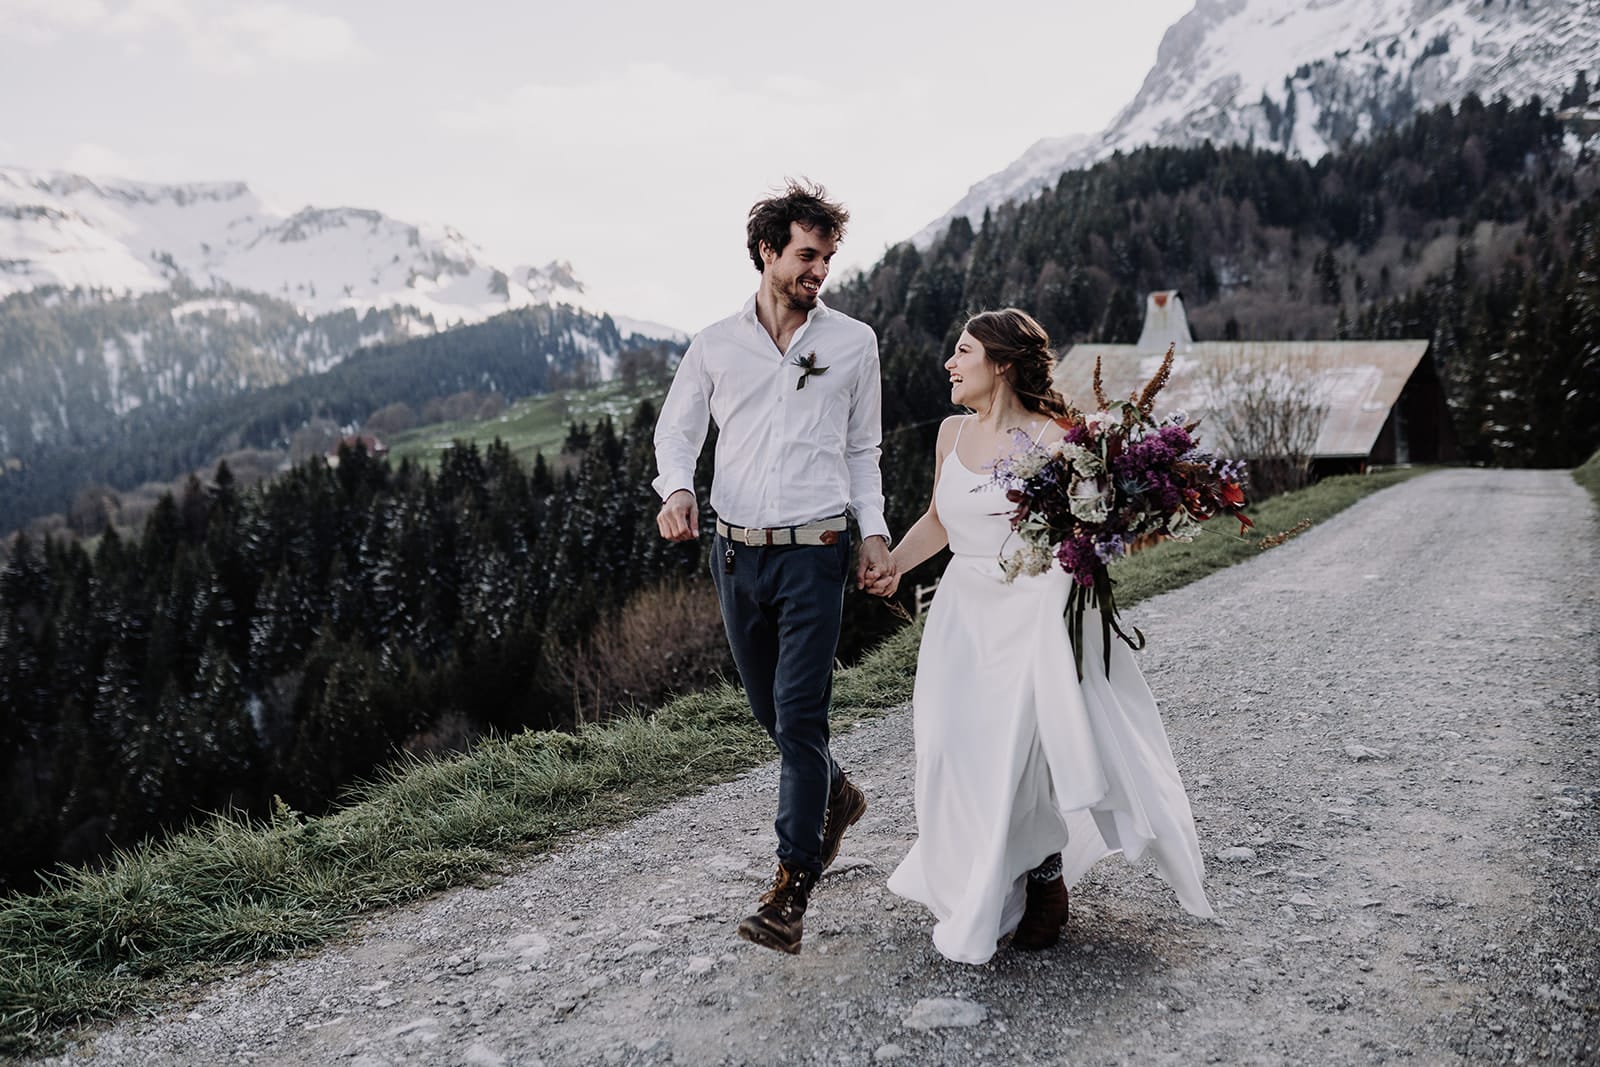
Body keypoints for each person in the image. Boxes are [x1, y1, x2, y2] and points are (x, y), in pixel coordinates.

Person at [867, 308, 1213, 965]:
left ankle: (1043, 874)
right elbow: (940, 518)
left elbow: (1089, 530)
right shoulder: (949, 434)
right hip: (962, 614)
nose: (950, 362)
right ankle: (983, 874)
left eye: (962, 351)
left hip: (1032, 612)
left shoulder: (1057, 438)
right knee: (946, 747)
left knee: (1015, 756)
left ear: (999, 364)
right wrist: (892, 565)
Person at [653, 180, 894, 955]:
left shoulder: (853, 342)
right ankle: (836, 792)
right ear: (766, 250)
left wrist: (876, 533)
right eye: (805, 254)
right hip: (735, 554)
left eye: (826, 257)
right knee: (772, 713)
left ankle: (791, 888)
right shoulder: (715, 344)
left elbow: (865, 451)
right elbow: (676, 431)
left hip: (817, 551)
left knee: (799, 716)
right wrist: (679, 489)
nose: (817, 270)